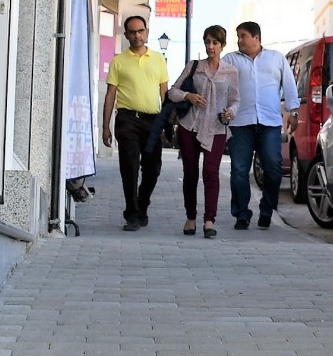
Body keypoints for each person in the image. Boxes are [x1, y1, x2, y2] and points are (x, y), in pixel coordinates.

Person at [222, 21, 299, 230]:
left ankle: (266, 210)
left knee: (273, 168)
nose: (239, 40)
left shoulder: (276, 58)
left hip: (270, 122)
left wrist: (293, 112)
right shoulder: (230, 60)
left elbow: (290, 86)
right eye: (238, 36)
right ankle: (241, 214)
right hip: (240, 123)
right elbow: (219, 86)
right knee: (239, 170)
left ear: (256, 37)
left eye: (243, 36)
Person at [169, 25, 240, 238]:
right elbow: (172, 91)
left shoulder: (230, 71)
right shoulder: (194, 66)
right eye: (207, 42)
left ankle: (209, 220)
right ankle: (191, 217)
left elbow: (236, 100)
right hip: (190, 126)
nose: (211, 46)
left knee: (211, 173)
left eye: (215, 42)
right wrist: (188, 96)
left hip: (216, 127)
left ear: (222, 45)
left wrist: (230, 112)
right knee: (190, 174)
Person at [101, 15, 168, 231]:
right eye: (132, 32)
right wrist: (105, 126)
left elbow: (164, 92)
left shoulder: (158, 59)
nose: (137, 35)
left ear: (146, 32)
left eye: (141, 31)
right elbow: (110, 94)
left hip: (152, 121)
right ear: (127, 35)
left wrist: (166, 123)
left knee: (153, 168)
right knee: (129, 167)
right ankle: (131, 214)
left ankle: (143, 205)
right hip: (127, 119)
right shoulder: (118, 61)